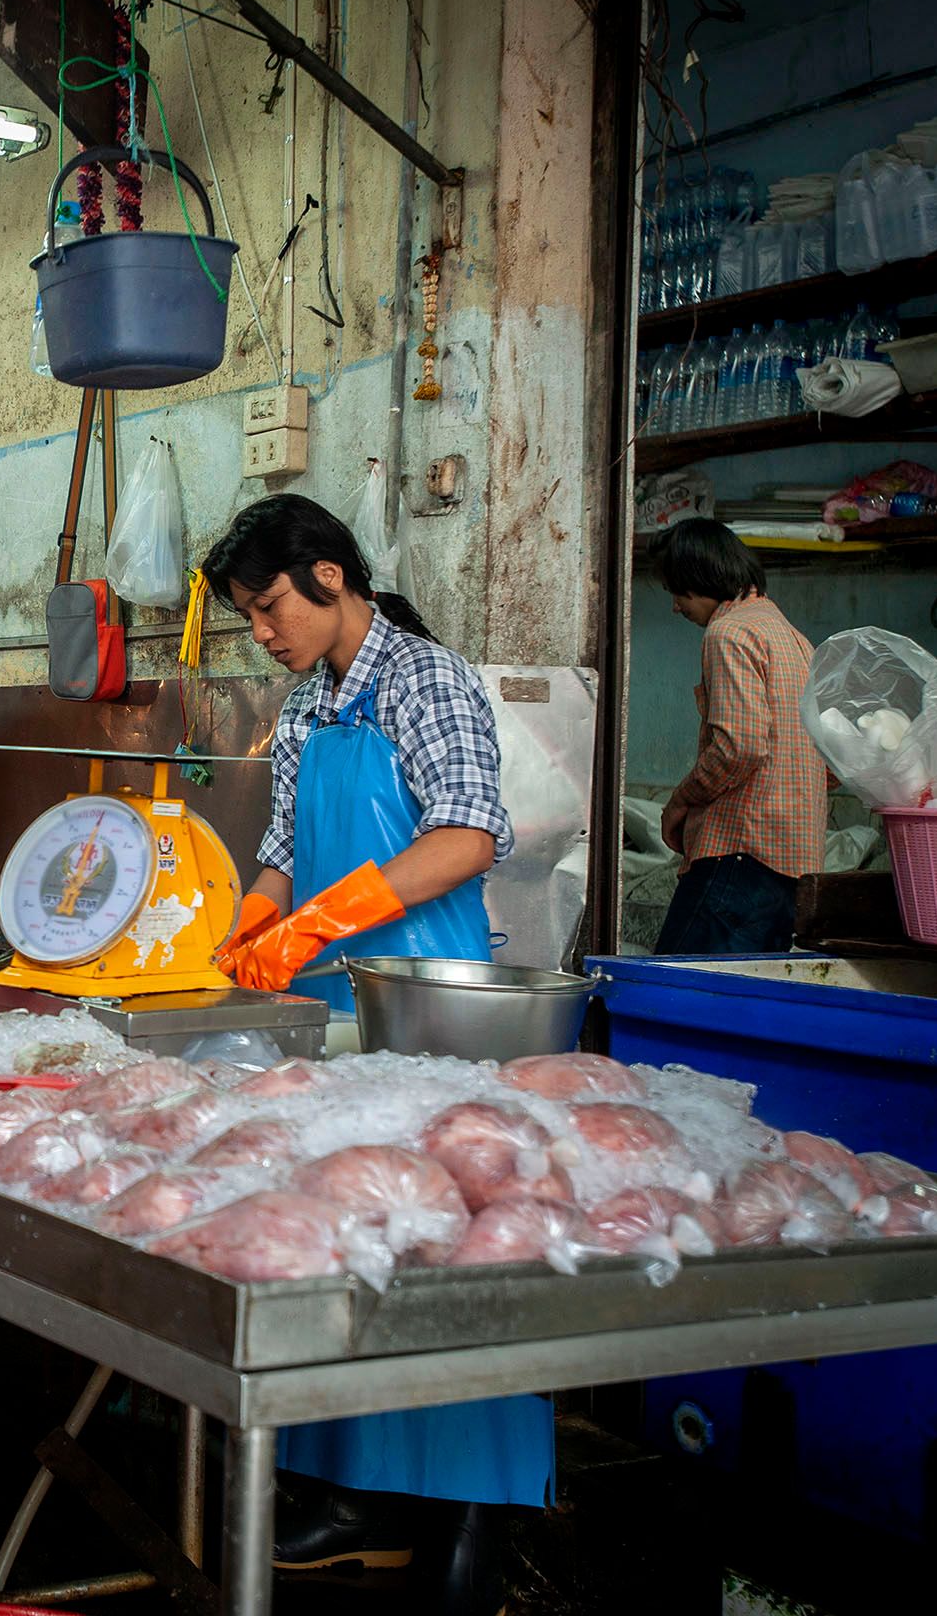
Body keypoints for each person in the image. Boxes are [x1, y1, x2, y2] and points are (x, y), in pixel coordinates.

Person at [199, 494, 541, 1613]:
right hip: (326, 1010)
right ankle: (354, 1495)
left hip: (426, 1008)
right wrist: (250, 923)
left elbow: (465, 830)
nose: (262, 631)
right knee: (341, 1242)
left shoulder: (423, 677)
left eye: (266, 607)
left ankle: (470, 1516)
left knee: (447, 1253)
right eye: (249, 615)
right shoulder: (304, 703)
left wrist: (320, 918)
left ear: (332, 576)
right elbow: (283, 846)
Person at [655, 520, 827, 954]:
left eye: (677, 592)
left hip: (739, 855)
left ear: (700, 580)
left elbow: (741, 746)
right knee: (736, 1009)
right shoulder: (795, 640)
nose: (676, 606)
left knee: (673, 998)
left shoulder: (729, 633)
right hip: (794, 866)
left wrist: (681, 800)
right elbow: (827, 761)